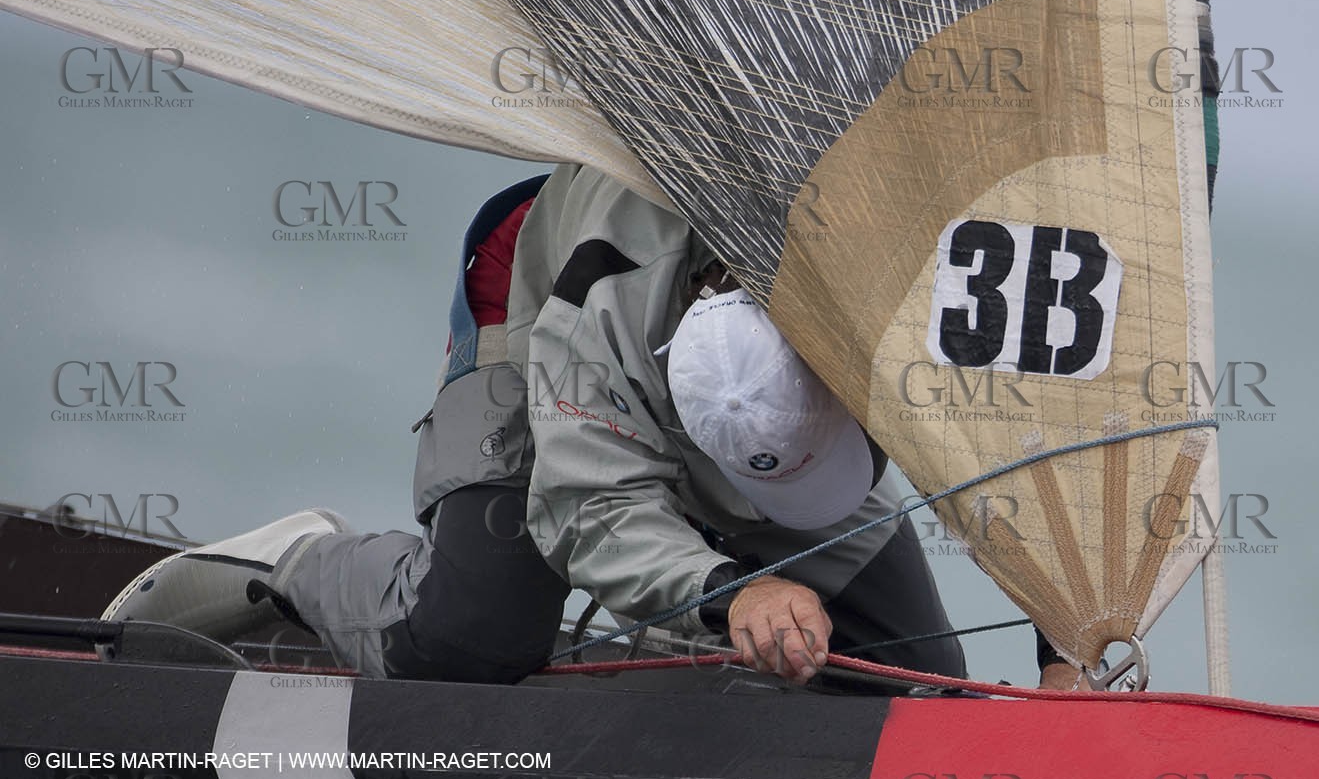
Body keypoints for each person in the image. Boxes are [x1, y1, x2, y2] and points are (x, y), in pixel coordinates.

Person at [104, 164, 965, 686]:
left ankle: (687, 619)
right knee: (466, 640)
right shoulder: (598, 313)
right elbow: (591, 508)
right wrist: (735, 591)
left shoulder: (902, 276)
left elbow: (1044, 405)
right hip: (531, 300)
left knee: (921, 672)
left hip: (739, 305)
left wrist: (1060, 633)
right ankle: (294, 560)